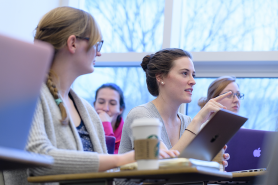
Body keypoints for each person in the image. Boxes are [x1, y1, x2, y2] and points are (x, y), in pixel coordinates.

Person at [3, 7, 177, 185]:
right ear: (73, 43)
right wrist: (125, 158)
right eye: (97, 44)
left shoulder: (88, 111)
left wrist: (148, 170)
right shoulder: (25, 95)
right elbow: (38, 158)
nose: (99, 52)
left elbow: (107, 176)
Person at [119, 48, 231, 166]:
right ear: (160, 77)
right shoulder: (140, 115)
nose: (193, 81)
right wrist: (199, 120)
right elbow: (163, 167)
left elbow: (185, 174)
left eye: (193, 75)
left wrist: (209, 165)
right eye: (184, 73)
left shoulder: (187, 122)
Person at [94, 83, 125, 154]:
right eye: (101, 102)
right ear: (94, 105)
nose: (105, 108)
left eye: (112, 103)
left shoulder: (129, 135)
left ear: (120, 109)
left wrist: (106, 125)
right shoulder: (84, 129)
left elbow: (108, 158)